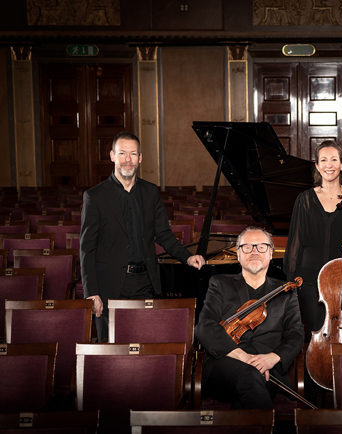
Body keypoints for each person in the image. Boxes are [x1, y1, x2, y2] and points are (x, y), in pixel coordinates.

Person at [80, 131, 205, 342]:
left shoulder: (150, 192)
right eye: (122, 153)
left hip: (144, 283)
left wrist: (187, 256)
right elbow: (87, 249)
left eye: (133, 154)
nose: (127, 160)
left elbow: (163, 234)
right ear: (112, 156)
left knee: (144, 345)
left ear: (140, 158)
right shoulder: (95, 196)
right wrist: (92, 293)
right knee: (110, 350)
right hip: (109, 286)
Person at [283, 140, 342, 400]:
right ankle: (314, 396)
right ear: (317, 165)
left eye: (334, 159)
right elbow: (294, 243)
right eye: (323, 160)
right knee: (316, 335)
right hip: (310, 281)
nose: (329, 165)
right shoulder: (305, 199)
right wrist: (291, 281)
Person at [194, 226, 304, 409]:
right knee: (250, 376)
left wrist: (273, 357)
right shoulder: (220, 284)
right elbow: (204, 326)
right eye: (247, 247)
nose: (254, 252)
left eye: (261, 247)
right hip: (224, 364)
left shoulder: (286, 291)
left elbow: (296, 333)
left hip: (267, 369)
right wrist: (243, 357)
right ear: (238, 254)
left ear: (270, 253)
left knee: (251, 386)